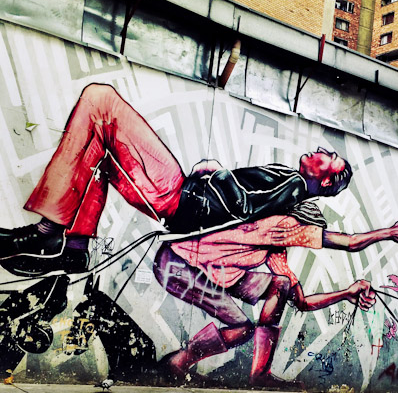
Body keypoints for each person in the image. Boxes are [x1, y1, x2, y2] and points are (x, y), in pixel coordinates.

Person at [0, 83, 352, 276]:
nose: (321, 150)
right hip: (181, 196)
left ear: (324, 182)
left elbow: (245, 205)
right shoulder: (291, 182)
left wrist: (214, 171)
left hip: (179, 195)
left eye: (329, 159)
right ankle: (72, 249)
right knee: (100, 154)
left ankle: (47, 237)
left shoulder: (291, 186)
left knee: (100, 100)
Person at [153, 202, 398, 386]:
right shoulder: (279, 224)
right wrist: (389, 232)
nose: (307, 238)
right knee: (241, 328)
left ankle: (259, 373)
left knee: (278, 285)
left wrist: (346, 293)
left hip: (215, 271)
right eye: (309, 232)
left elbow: (300, 301)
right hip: (180, 265)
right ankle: (176, 364)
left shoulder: (274, 246)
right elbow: (348, 242)